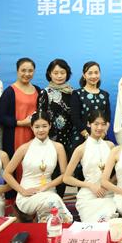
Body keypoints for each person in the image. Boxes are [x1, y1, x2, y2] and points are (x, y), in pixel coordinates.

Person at [3, 113, 73, 223]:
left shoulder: (58, 147)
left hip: (49, 191)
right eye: (37, 127)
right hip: (27, 195)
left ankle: (46, 225)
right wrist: (22, 191)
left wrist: (47, 186)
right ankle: (66, 223)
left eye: (44, 126)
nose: (41, 130)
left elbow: (65, 175)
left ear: (50, 126)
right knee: (54, 202)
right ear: (31, 127)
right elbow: (6, 173)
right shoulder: (24, 148)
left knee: (51, 205)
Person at [63, 110, 117, 222]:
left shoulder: (110, 146)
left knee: (108, 221)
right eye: (96, 124)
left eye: (103, 124)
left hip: (108, 194)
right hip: (88, 194)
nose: (99, 128)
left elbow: (118, 172)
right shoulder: (81, 149)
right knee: (92, 223)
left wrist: (108, 184)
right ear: (89, 124)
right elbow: (66, 178)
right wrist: (90, 185)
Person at [38, 58, 80, 197]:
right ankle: (49, 199)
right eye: (55, 73)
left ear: (67, 74)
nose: (59, 76)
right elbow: (41, 117)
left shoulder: (73, 93)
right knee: (51, 171)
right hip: (51, 139)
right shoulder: (45, 92)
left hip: (70, 139)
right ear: (50, 74)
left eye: (62, 72)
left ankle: (60, 201)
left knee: (66, 172)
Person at [0, 58, 40, 166]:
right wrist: (20, 123)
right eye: (23, 70)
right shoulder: (9, 92)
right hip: (15, 135)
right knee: (16, 165)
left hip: (35, 134)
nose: (27, 74)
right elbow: (0, 117)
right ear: (17, 71)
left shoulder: (38, 90)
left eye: (30, 71)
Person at [71, 61, 111, 142]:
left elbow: (108, 117)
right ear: (84, 75)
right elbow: (75, 118)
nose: (94, 76)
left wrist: (102, 135)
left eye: (96, 73)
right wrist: (87, 136)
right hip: (81, 137)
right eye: (90, 73)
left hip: (101, 137)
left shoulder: (105, 94)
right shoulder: (77, 94)